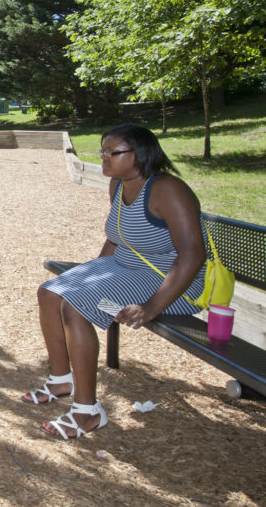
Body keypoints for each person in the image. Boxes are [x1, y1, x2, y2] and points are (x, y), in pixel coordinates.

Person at [24, 124, 207, 439]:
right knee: (50, 292)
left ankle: (87, 413)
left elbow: (192, 255)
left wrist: (151, 307)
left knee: (74, 308)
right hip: (126, 267)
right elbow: (116, 237)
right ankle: (61, 380)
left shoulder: (168, 190)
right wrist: (88, 273)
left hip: (172, 282)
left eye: (113, 152)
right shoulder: (119, 185)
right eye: (103, 151)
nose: (105, 158)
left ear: (141, 154)